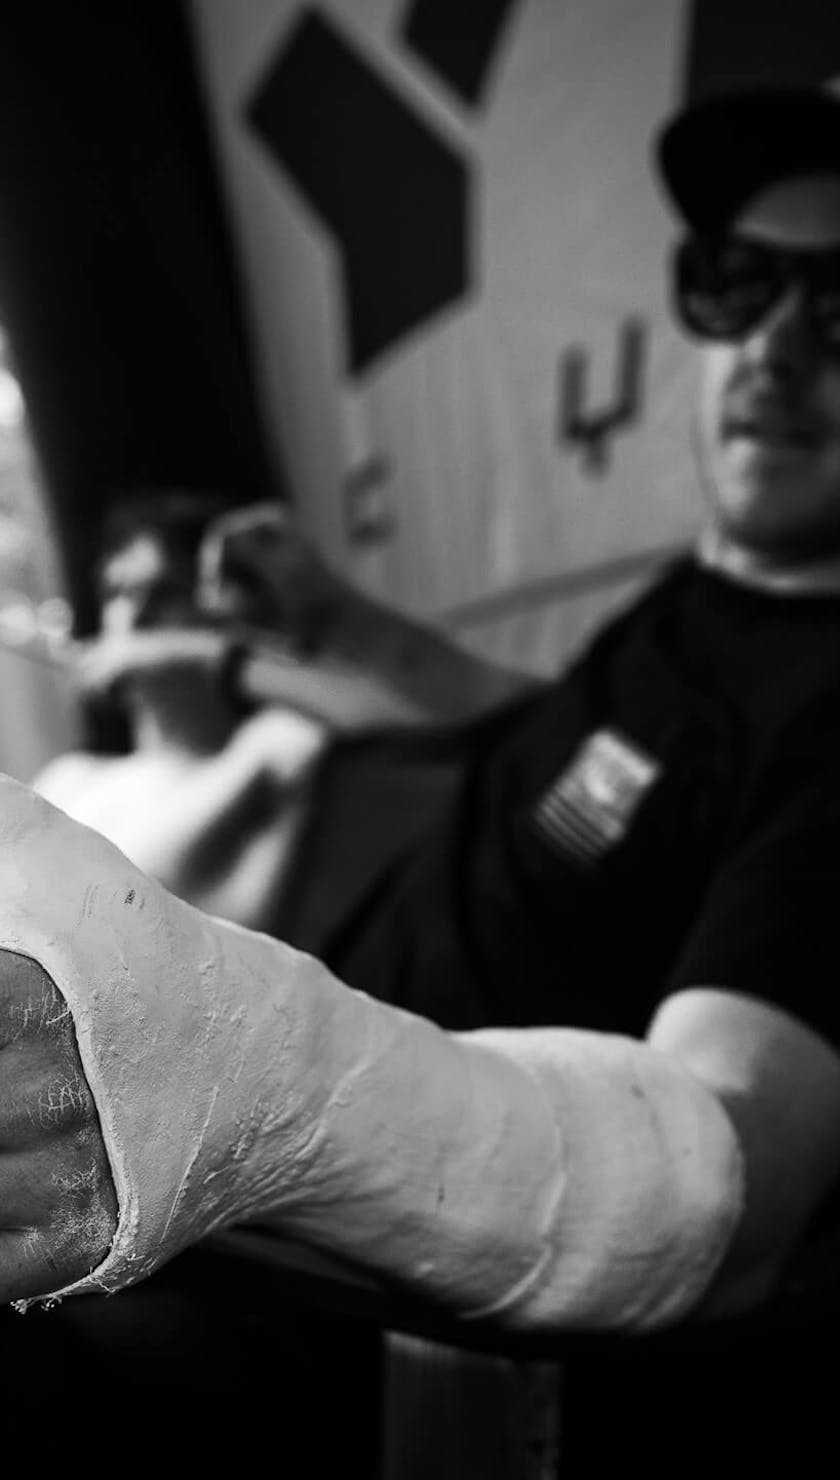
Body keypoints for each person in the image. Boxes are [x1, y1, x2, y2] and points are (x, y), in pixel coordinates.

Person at [4, 82, 840, 1468]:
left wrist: (264, 1070)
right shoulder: (702, 611)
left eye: (839, 308)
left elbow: (738, 1195)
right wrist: (337, 622)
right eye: (738, 284)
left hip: (348, 1310)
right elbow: (548, 732)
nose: (774, 346)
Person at [33, 492, 529, 929]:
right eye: (117, 592)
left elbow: (444, 736)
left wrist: (210, 654)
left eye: (164, 594)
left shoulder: (276, 745)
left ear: (219, 609)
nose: (134, 617)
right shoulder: (70, 779)